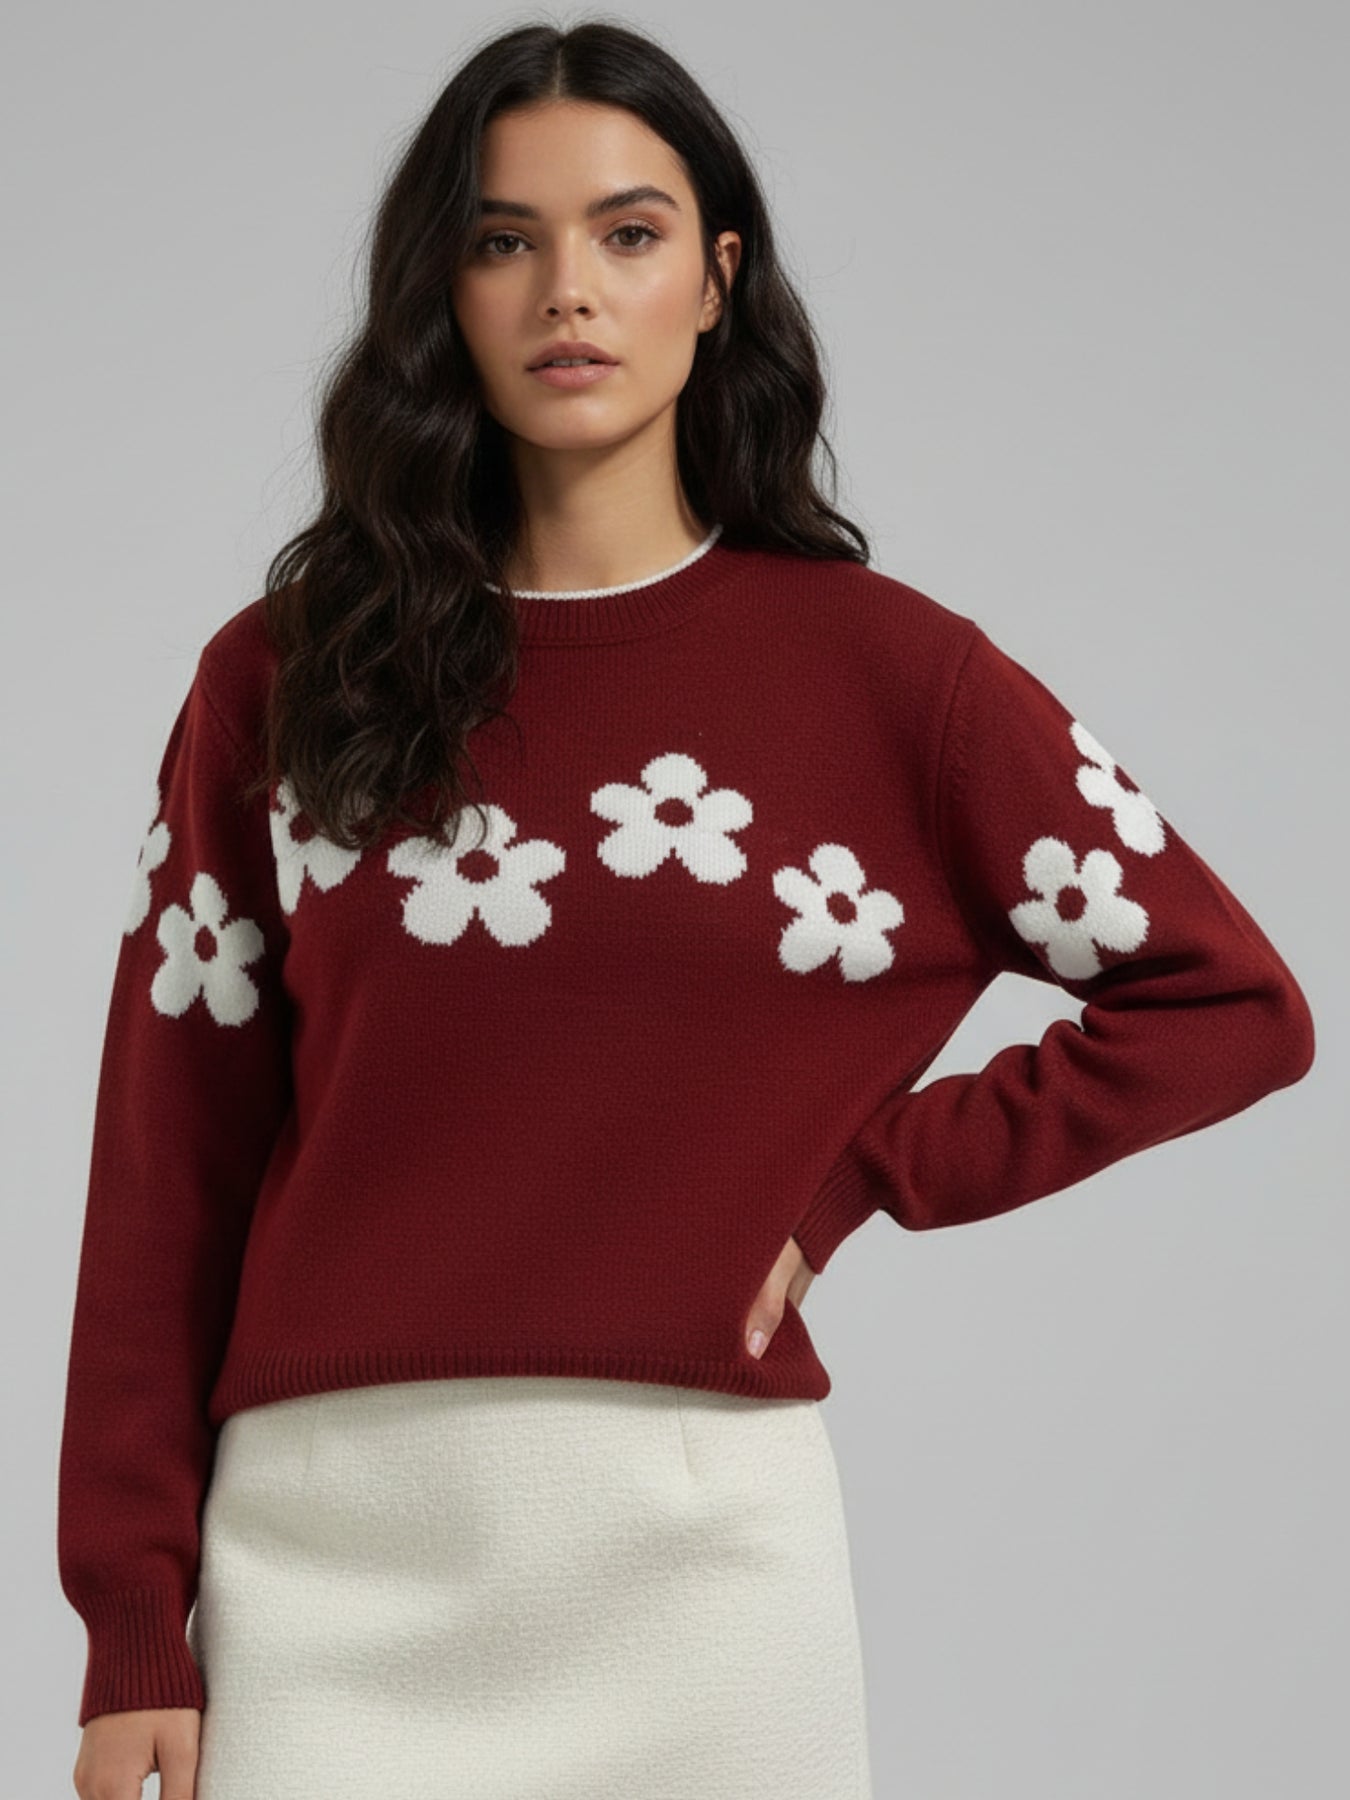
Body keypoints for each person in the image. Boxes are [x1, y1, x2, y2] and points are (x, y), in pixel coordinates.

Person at [58, 17, 1315, 1800]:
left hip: (702, 1566)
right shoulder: (285, 677)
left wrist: (867, 1173)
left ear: (717, 279)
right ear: (439, 288)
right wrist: (132, 1619)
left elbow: (1228, 1003)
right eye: (503, 240)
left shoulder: (891, 680)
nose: (566, 290)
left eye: (628, 234)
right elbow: (165, 1165)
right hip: (325, 1557)